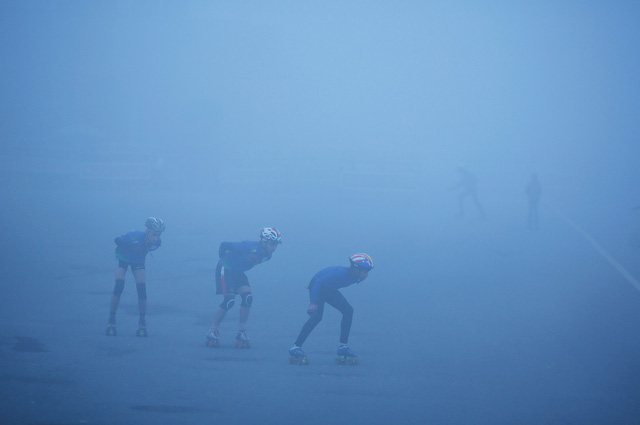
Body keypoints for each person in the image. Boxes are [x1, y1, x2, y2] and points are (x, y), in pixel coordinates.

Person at [288, 253, 374, 363]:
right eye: (365, 272)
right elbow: (318, 281)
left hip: (329, 290)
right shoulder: (341, 273)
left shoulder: (354, 276)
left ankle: (343, 347)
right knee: (316, 318)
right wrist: (313, 302)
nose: (366, 275)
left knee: (348, 311)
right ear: (356, 269)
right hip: (317, 288)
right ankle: (295, 348)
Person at [205, 227, 282, 347]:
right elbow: (224, 245)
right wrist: (222, 261)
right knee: (229, 300)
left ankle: (241, 331)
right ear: (263, 241)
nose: (274, 248)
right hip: (225, 268)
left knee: (248, 298)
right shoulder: (249, 246)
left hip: (237, 272)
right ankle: (213, 330)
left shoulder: (268, 256)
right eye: (272, 244)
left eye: (276, 244)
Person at [106, 217, 165, 337]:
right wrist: (124, 243)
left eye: (158, 235)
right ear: (147, 231)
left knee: (142, 290)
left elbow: (148, 248)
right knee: (119, 286)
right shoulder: (133, 236)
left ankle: (142, 323)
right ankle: (111, 320)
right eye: (154, 234)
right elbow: (117, 240)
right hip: (122, 258)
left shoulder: (157, 243)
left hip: (138, 261)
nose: (156, 238)